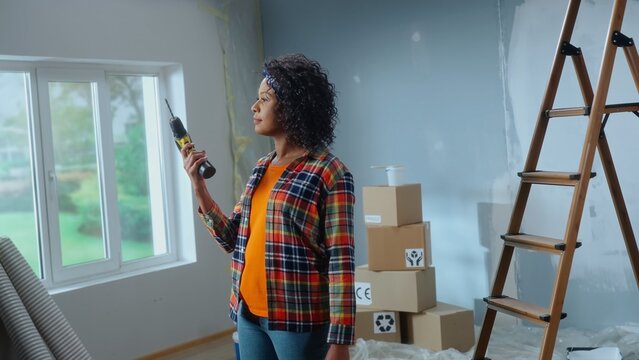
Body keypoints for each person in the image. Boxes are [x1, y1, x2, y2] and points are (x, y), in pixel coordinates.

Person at [181, 53, 355, 360]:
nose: (254, 107)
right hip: (248, 314)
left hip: (298, 321)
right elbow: (231, 238)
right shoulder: (261, 168)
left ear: (293, 107)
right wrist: (198, 187)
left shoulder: (330, 172)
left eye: (265, 99)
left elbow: (341, 262)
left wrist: (340, 342)